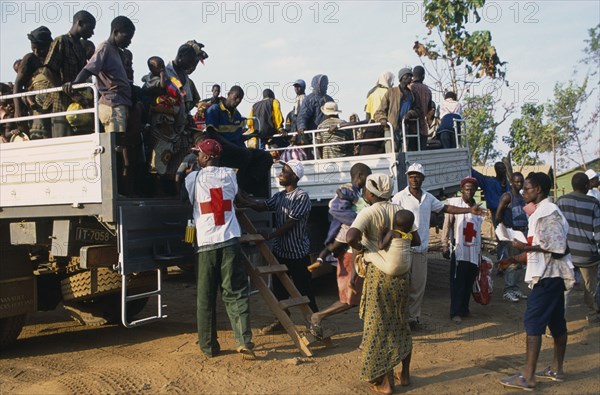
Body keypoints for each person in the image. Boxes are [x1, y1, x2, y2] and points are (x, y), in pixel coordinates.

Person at [497, 172, 575, 391]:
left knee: (533, 323)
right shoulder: (540, 213)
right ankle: (556, 370)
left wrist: (525, 247)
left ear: (538, 189)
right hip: (550, 275)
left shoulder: (549, 214)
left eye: (528, 188)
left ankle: (528, 376)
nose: (523, 191)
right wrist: (512, 259)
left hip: (549, 276)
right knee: (557, 322)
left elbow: (558, 247)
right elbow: (543, 249)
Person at [346, 173, 418, 395]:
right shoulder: (400, 211)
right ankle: (404, 373)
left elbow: (350, 237)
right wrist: (398, 239)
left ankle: (383, 382)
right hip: (402, 277)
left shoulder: (368, 212)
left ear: (370, 193)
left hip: (379, 276)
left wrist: (367, 248)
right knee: (400, 323)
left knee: (378, 329)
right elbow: (416, 240)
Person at [184, 138, 255, 360]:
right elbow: (235, 196)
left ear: (205, 157)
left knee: (205, 297)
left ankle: (208, 346)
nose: (197, 158)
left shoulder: (192, 178)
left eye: (198, 154)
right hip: (230, 240)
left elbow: (189, 199)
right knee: (236, 293)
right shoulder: (230, 175)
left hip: (205, 243)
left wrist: (187, 171)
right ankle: (243, 340)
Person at [391, 163, 484, 328]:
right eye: (411, 176)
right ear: (407, 177)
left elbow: (446, 208)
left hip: (420, 250)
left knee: (418, 288)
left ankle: (413, 319)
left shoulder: (428, 197)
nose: (414, 179)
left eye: (417, 176)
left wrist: (469, 211)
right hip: (403, 248)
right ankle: (397, 321)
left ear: (422, 178)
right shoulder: (399, 197)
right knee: (400, 287)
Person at [240, 160, 316, 333]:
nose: (280, 174)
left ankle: (313, 322)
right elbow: (262, 207)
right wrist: (245, 199)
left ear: (295, 176)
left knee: (305, 291)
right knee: (279, 291)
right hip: (280, 251)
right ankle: (282, 320)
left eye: (285, 171)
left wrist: (271, 234)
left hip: (297, 253)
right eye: (281, 170)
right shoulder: (280, 196)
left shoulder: (301, 197)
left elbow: (291, 223)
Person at [67, 16, 135, 182]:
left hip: (121, 103)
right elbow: (89, 69)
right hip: (112, 104)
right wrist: (75, 84)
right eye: (127, 37)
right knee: (114, 147)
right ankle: (113, 185)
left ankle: (120, 184)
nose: (129, 42)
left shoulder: (116, 51)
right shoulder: (105, 48)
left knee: (121, 145)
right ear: (116, 32)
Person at [307, 163, 372, 338]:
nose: (369, 180)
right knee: (350, 299)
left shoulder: (356, 193)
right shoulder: (348, 191)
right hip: (349, 251)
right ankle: (318, 317)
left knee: (357, 298)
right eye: (368, 176)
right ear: (359, 175)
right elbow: (335, 208)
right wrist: (359, 221)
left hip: (353, 248)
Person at [204, 85, 273, 197]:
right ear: (228, 94)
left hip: (238, 149)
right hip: (222, 150)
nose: (237, 101)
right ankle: (237, 189)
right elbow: (212, 134)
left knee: (266, 157)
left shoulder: (237, 115)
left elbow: (238, 137)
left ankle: (245, 187)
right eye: (236, 97)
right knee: (245, 154)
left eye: (240, 99)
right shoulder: (214, 110)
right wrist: (233, 146)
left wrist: (251, 135)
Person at [44, 10, 96, 137]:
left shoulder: (80, 47)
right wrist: (66, 89)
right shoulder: (61, 41)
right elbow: (48, 71)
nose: (92, 33)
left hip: (77, 105)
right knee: (63, 145)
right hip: (61, 103)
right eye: (90, 28)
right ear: (80, 23)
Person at [556, 172, 600, 317]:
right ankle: (593, 312)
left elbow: (557, 226)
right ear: (587, 186)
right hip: (587, 255)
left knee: (565, 287)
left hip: (566, 252)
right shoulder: (593, 203)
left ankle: (558, 319)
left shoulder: (561, 201)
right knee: (589, 286)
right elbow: (598, 232)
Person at [441, 177, 483, 323]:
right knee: (457, 282)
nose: (469, 192)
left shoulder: (478, 208)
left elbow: (478, 231)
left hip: (473, 252)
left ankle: (465, 309)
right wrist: (444, 244)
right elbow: (447, 225)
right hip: (459, 251)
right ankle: (455, 312)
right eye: (466, 189)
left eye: (472, 189)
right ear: (461, 190)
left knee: (469, 281)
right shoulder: (454, 204)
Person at [13, 26, 54, 139]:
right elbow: (17, 85)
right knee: (40, 135)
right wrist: (18, 111)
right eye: (33, 47)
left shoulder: (54, 58)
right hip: (37, 108)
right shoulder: (30, 59)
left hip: (53, 105)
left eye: (40, 48)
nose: (36, 51)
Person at [496, 172, 529, 302]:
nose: (519, 184)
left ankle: (515, 288)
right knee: (512, 263)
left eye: (521, 182)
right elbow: (498, 215)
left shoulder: (522, 197)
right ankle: (508, 290)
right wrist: (503, 232)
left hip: (523, 233)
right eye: (516, 182)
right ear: (511, 181)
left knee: (521, 263)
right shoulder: (507, 197)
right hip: (512, 234)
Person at [373, 68, 421, 152]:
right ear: (402, 77)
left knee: (404, 154)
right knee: (392, 155)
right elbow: (379, 111)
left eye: (411, 76)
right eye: (408, 76)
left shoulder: (413, 94)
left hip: (405, 127)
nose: (410, 78)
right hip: (391, 128)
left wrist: (410, 114)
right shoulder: (391, 92)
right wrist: (382, 119)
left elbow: (417, 110)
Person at [472, 162, 510, 260]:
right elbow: (476, 175)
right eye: (500, 169)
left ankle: (507, 260)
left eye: (504, 168)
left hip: (509, 212)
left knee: (510, 237)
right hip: (496, 213)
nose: (503, 170)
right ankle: (503, 261)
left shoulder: (508, 183)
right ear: (496, 170)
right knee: (501, 237)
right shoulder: (489, 181)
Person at [409, 66, 432, 150]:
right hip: (423, 128)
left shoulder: (409, 87)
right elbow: (429, 109)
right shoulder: (428, 90)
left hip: (410, 128)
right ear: (423, 76)